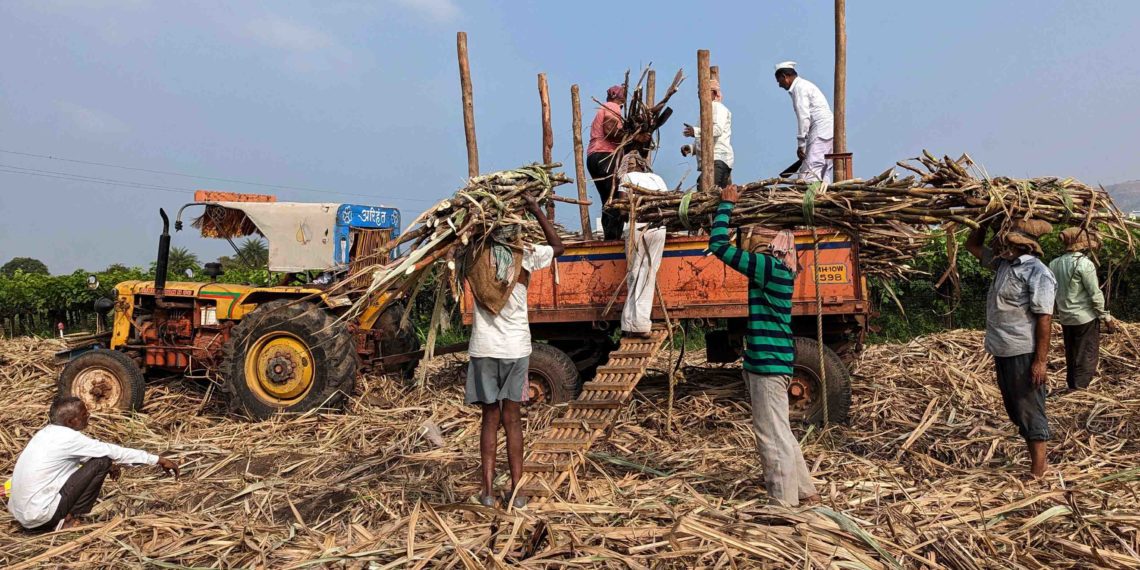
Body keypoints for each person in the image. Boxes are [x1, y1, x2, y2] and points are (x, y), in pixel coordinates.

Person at [708, 184, 819, 507]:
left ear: (771, 244)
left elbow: (718, 246)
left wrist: (726, 206)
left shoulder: (767, 267)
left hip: (768, 365)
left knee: (770, 435)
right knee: (780, 430)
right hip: (774, 361)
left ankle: (783, 503)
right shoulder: (782, 269)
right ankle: (806, 492)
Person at [466, 193, 564, 509]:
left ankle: (487, 492)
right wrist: (536, 209)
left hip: (484, 350)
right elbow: (559, 247)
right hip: (515, 350)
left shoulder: (475, 255)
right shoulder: (526, 255)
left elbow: (459, 240)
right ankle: (517, 492)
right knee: (512, 419)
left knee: (489, 418)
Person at [965, 218, 1057, 478]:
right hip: (1002, 348)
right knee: (1015, 408)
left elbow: (1045, 318)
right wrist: (983, 221)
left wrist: (1040, 361)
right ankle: (1037, 464)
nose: (1000, 246)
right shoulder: (1003, 264)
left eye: (1006, 242)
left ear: (1022, 246)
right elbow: (972, 246)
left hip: (1023, 350)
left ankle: (1039, 470)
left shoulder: (1038, 272)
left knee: (1029, 407)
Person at [7, 397, 179, 531]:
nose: (88, 415)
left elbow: (76, 458)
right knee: (102, 460)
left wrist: (111, 465)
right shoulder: (69, 438)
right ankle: (68, 519)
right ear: (71, 422)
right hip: (41, 516)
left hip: (23, 515)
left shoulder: (45, 434)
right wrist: (157, 459)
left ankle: (62, 515)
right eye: (84, 414)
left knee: (103, 460)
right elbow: (111, 452)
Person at [1049, 227, 1114, 390]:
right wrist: (1105, 317)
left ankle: (1072, 386)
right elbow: (1095, 293)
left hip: (1065, 318)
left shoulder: (1054, 263)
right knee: (1087, 356)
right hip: (1085, 318)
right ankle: (1080, 389)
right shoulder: (1085, 264)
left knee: (1071, 354)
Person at [774, 61, 834, 183]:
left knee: (809, 174)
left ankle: (812, 195)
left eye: (779, 81)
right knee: (822, 169)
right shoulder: (804, 85)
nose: (779, 85)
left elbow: (804, 118)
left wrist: (801, 145)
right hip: (825, 130)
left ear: (785, 77)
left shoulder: (799, 88)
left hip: (820, 130)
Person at [586, 85, 628, 240]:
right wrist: (630, 135)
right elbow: (610, 130)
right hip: (605, 156)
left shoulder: (603, 108)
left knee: (607, 199)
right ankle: (613, 238)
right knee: (616, 197)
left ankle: (609, 237)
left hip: (593, 156)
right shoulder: (612, 107)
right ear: (619, 97)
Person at [681, 79, 734, 188]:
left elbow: (717, 130)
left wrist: (695, 131)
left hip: (718, 159)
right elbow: (706, 139)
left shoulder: (717, 107)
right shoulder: (706, 112)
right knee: (706, 189)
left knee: (706, 189)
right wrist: (692, 148)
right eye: (699, 92)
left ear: (714, 93)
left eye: (703, 91)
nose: (699, 95)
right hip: (712, 161)